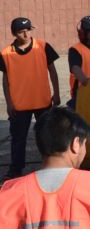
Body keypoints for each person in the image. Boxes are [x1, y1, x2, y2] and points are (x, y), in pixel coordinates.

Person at [1, 17, 61, 180]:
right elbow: (5, 81)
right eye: (21, 31)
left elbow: (52, 71)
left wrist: (56, 93)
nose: (26, 33)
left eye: (28, 30)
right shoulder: (6, 53)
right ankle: (15, 170)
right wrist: (9, 103)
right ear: (14, 33)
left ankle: (51, 167)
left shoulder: (42, 46)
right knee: (18, 139)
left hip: (43, 101)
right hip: (19, 105)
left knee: (47, 136)